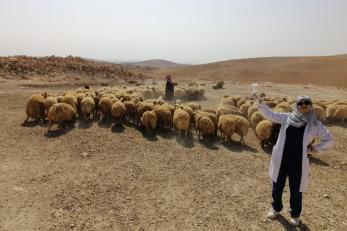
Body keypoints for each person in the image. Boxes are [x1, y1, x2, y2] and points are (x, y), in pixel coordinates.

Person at [256, 95, 333, 226]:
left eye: (307, 103)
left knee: (296, 189)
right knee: (277, 185)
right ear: (296, 106)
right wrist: (260, 102)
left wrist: (314, 149)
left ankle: (295, 215)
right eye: (300, 103)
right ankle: (275, 208)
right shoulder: (287, 117)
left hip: (298, 161)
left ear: (311, 105)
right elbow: (270, 114)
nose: (303, 105)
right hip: (281, 158)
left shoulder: (315, 124)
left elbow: (329, 139)